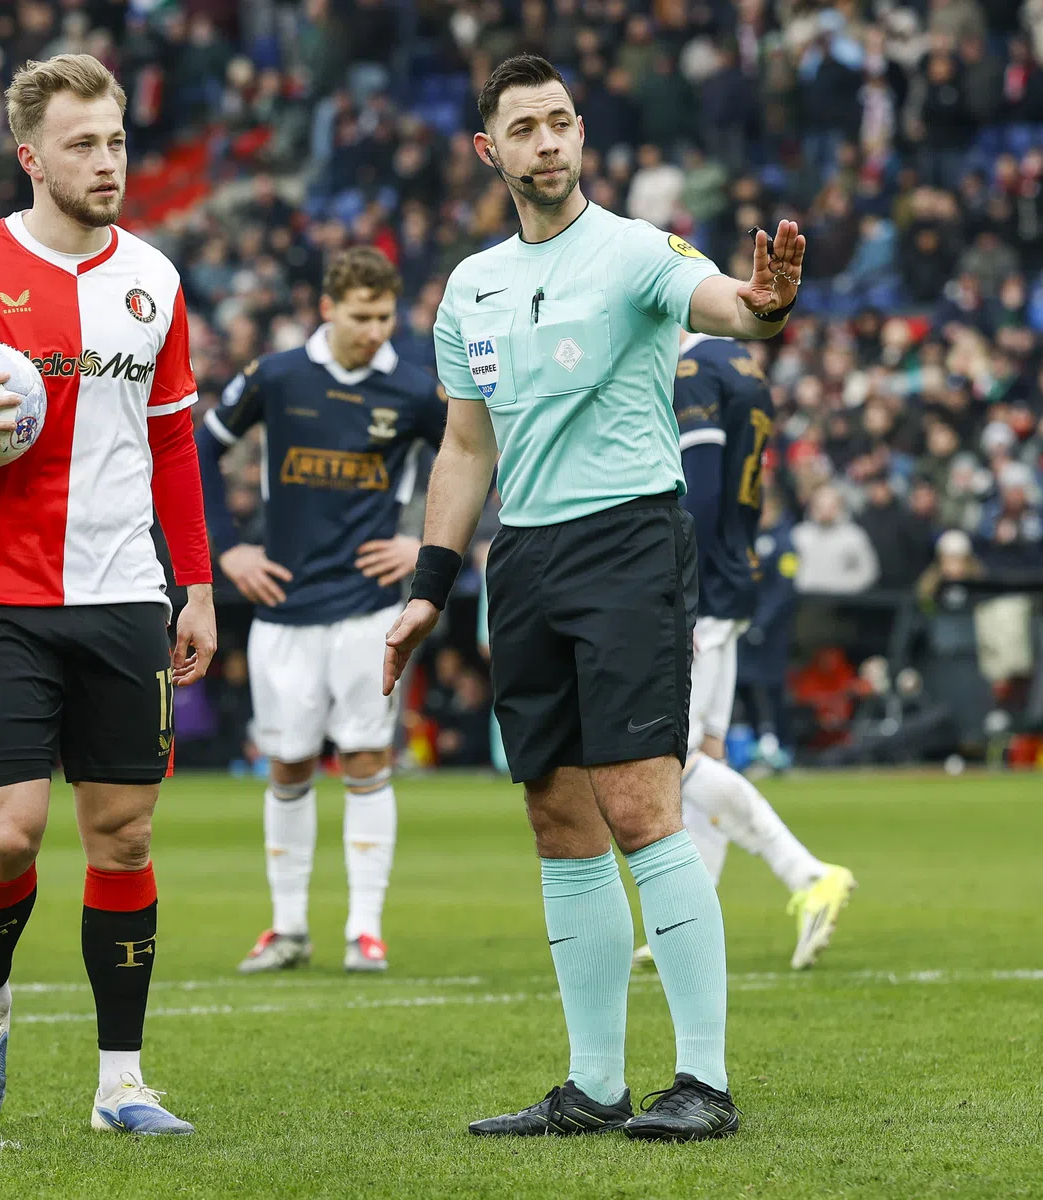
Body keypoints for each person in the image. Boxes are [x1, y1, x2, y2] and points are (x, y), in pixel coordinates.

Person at [384, 54, 806, 1142]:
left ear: (582, 134)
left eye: (561, 121)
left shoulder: (635, 251)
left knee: (640, 806)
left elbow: (728, 304)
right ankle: (595, 1085)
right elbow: (465, 449)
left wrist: (763, 305)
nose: (548, 142)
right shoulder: (470, 287)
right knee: (557, 817)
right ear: (489, 150)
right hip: (522, 560)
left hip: (628, 542)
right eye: (525, 128)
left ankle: (704, 1081)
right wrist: (431, 586)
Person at [0, 54, 216, 1136]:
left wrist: (196, 585)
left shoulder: (154, 279)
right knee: (12, 835)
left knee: (124, 839)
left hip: (126, 594)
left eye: (116, 141)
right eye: (82, 144)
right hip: (0, 594)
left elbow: (174, 446)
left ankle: (122, 1084)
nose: (108, 161)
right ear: (31, 156)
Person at [196, 247, 445, 975]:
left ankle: (365, 929)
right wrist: (228, 551)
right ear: (329, 309)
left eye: (385, 316)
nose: (376, 331)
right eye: (362, 316)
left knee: (366, 760)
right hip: (283, 608)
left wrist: (426, 546)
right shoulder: (277, 377)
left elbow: (479, 457)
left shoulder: (414, 390)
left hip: (369, 611)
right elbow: (196, 451)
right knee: (288, 765)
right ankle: (288, 928)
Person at [634, 331, 855, 976]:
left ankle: (806, 873)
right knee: (704, 753)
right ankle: (688, 922)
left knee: (672, 762)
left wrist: (675, 584)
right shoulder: (740, 362)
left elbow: (700, 490)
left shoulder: (692, 368)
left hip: (699, 582)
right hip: (731, 573)